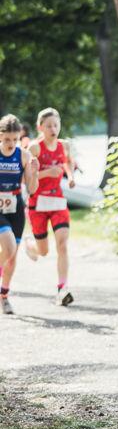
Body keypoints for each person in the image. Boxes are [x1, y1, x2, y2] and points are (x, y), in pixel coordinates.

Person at [23, 108, 75, 307]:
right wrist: (47, 173)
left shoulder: (64, 145)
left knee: (62, 244)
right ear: (40, 128)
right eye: (49, 126)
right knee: (43, 251)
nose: (53, 129)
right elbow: (25, 178)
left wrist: (70, 177)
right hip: (37, 204)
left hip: (58, 202)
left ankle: (62, 288)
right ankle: (30, 246)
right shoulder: (35, 149)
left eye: (56, 125)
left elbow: (68, 163)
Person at [0, 115, 39, 315]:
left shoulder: (23, 155)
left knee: (12, 257)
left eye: (15, 139)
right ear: (0, 136)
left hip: (16, 208)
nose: (11, 144)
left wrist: (35, 172)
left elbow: (31, 189)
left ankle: (4, 296)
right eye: (7, 139)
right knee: (9, 246)